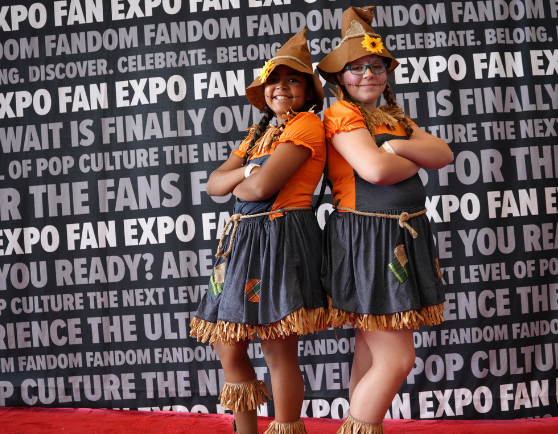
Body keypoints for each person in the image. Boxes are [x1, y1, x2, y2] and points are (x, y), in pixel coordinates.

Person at [316, 6, 454, 434]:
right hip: (368, 236)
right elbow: (373, 172)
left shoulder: (393, 117)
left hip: (399, 234)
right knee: (397, 358)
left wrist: (393, 150)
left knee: (371, 351)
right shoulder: (340, 114)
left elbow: (444, 154)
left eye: (375, 66)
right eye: (356, 68)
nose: (367, 74)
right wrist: (404, 154)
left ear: (386, 72)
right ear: (341, 77)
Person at [190, 28, 327, 434]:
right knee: (227, 340)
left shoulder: (305, 126)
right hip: (242, 240)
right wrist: (249, 169)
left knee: (276, 347)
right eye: (273, 80)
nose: (280, 88)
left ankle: (285, 429)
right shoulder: (257, 133)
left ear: (307, 92)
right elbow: (215, 185)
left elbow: (259, 189)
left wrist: (245, 176)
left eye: (292, 80)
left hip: (280, 238)